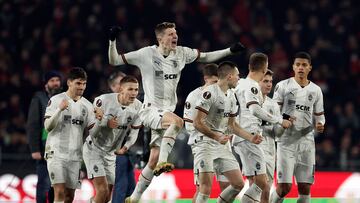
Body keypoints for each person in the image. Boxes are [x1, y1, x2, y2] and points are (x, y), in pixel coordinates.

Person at [108, 22, 246, 202]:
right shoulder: (146, 54)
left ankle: (134, 197)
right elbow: (114, 60)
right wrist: (112, 41)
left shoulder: (181, 53)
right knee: (177, 122)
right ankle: (164, 162)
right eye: (171, 34)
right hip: (151, 110)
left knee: (153, 158)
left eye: (176, 33)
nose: (175, 37)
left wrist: (229, 50)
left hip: (166, 112)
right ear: (160, 38)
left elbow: (205, 56)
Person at [193, 61, 263, 203]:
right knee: (205, 187)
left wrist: (250, 138)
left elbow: (232, 126)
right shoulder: (209, 93)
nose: (239, 78)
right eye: (237, 75)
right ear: (230, 76)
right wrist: (215, 136)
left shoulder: (231, 96)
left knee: (238, 184)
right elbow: (197, 122)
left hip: (221, 145)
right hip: (204, 143)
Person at [232, 53, 292, 203]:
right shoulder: (252, 86)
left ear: (249, 66)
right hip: (249, 137)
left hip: (246, 137)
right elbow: (254, 110)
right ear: (265, 68)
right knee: (261, 183)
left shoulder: (239, 84)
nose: (268, 83)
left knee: (260, 183)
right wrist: (279, 120)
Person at [270, 52, 325, 203]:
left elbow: (320, 115)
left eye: (304, 65)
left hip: (307, 141)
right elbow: (273, 111)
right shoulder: (283, 86)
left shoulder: (316, 90)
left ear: (310, 68)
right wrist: (283, 120)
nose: (301, 67)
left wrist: (321, 124)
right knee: (284, 188)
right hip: (286, 140)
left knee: (305, 188)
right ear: (293, 67)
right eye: (298, 65)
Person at [83, 75, 142, 203]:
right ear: (121, 89)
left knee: (107, 195)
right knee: (102, 190)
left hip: (111, 154)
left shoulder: (138, 107)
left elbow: (135, 131)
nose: (134, 93)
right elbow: (91, 131)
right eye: (130, 89)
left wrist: (126, 147)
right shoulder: (103, 101)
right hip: (94, 149)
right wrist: (105, 122)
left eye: (136, 90)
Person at [44, 67, 99, 203]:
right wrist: (59, 110)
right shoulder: (57, 100)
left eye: (84, 83)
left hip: (75, 156)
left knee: (70, 196)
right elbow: (48, 127)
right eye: (78, 83)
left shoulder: (87, 105)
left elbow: (94, 133)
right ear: (69, 82)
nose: (82, 87)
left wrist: (100, 120)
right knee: (60, 192)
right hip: (56, 153)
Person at [183, 63, 229, 202]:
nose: (216, 85)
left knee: (227, 186)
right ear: (205, 79)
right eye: (213, 82)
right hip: (203, 144)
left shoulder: (225, 95)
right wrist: (208, 135)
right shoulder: (194, 96)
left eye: (218, 82)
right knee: (202, 188)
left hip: (222, 145)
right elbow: (189, 125)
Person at [27, 71, 62, 203]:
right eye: (52, 80)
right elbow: (33, 124)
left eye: (57, 80)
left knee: (57, 185)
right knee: (44, 184)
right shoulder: (39, 98)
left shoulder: (65, 98)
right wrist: (34, 148)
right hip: (44, 148)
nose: (55, 83)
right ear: (46, 84)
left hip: (61, 148)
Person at [107, 71, 137, 203]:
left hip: (125, 152)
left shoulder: (134, 105)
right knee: (120, 186)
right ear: (115, 87)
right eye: (125, 85)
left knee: (130, 188)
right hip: (112, 152)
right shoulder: (106, 104)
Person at [257, 70, 284, 203]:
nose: (269, 84)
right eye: (265, 81)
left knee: (266, 189)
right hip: (254, 147)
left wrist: (283, 126)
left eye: (270, 82)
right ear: (257, 82)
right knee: (256, 186)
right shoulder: (248, 102)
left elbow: (277, 132)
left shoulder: (273, 104)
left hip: (269, 149)